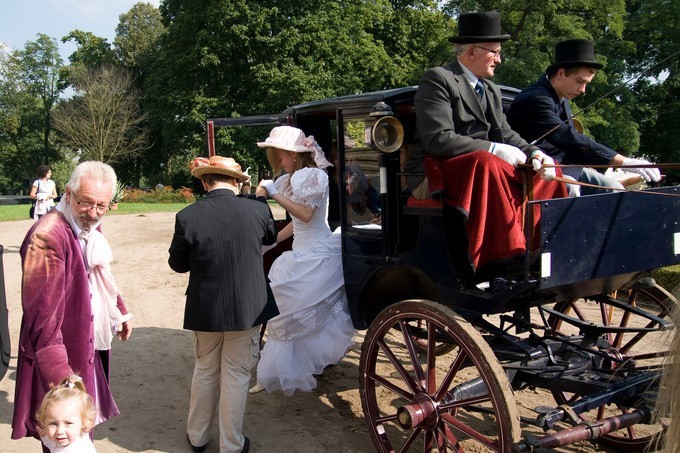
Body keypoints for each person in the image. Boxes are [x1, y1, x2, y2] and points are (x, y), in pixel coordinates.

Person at [404, 11, 568, 284]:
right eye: (495, 52)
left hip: (480, 167)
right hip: (435, 171)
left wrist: (533, 153)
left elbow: (506, 133)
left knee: (549, 171)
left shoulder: (490, 89)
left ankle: (544, 247)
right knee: (486, 161)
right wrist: (494, 149)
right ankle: (500, 258)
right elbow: (438, 139)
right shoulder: (438, 79)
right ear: (471, 52)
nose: (499, 60)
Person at [12, 161, 132, 449]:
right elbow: (42, 321)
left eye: (101, 206)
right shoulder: (46, 237)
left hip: (83, 347)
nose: (92, 213)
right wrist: (63, 385)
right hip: (62, 358)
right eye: (85, 203)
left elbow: (96, 274)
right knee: (64, 437)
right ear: (67, 193)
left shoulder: (88, 223)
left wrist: (119, 310)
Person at [168, 155, 277, 452]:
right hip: (248, 306)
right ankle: (231, 444)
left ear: (205, 182)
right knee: (237, 374)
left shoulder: (188, 216)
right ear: (237, 182)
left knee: (205, 370)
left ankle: (197, 436)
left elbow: (177, 265)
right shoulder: (257, 210)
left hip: (206, 308)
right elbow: (270, 237)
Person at [253, 125, 356, 395]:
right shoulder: (291, 179)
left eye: (281, 156)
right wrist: (272, 243)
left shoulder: (313, 176)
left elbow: (307, 215)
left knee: (294, 313)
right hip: (301, 250)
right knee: (285, 315)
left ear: (295, 155)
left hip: (318, 252)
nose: (279, 161)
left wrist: (274, 192)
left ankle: (292, 369)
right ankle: (275, 372)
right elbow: (296, 222)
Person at [507, 38, 661, 196]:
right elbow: (568, 137)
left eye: (587, 84)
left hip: (566, 168)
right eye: (580, 82)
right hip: (536, 170)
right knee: (570, 190)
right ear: (561, 73)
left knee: (614, 189)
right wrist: (624, 162)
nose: (582, 90)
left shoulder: (562, 96)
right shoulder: (535, 98)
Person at [35, 375, 97, 452]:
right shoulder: (78, 438)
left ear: (84, 422)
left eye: (68, 423)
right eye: (53, 423)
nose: (60, 431)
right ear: (44, 421)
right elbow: (57, 448)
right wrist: (47, 439)